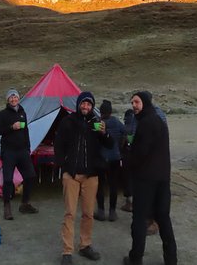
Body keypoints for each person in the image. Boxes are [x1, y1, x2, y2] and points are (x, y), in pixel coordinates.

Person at [54, 91, 113, 265]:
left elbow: (110, 144)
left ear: (92, 106)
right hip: (71, 175)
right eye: (83, 103)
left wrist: (105, 133)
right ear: (78, 104)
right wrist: (63, 166)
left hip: (91, 175)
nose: (86, 107)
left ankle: (85, 245)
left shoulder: (97, 123)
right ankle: (67, 251)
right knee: (70, 213)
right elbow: (58, 145)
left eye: (89, 104)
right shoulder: (68, 122)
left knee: (88, 213)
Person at [123, 91, 177, 265]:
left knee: (139, 219)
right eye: (132, 103)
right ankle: (171, 259)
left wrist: (127, 158)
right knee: (163, 217)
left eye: (137, 102)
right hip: (162, 178)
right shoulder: (159, 121)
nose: (134, 106)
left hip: (146, 180)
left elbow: (140, 153)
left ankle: (135, 258)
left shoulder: (146, 123)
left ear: (145, 103)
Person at [0, 88, 38, 220]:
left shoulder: (23, 113)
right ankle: (7, 206)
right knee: (7, 180)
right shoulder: (2, 115)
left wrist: (28, 148)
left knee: (30, 176)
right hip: (9, 152)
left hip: (22, 151)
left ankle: (25, 203)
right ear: (8, 100)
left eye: (15, 97)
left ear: (19, 98)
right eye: (11, 97)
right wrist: (11, 127)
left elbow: (26, 131)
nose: (13, 99)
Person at [94, 99, 125, 222]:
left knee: (100, 185)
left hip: (101, 158)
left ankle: (101, 211)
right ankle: (112, 212)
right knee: (113, 185)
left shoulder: (98, 123)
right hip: (115, 158)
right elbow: (125, 132)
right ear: (111, 111)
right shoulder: (117, 122)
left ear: (100, 112)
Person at [119, 108, 136, 213]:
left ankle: (129, 203)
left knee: (127, 179)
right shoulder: (136, 126)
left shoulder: (125, 128)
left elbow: (122, 143)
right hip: (136, 157)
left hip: (127, 156)